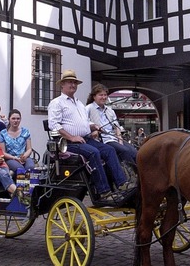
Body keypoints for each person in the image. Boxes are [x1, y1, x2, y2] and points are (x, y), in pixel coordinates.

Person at [47, 69, 133, 201]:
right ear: (62, 84)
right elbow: (54, 125)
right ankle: (103, 190)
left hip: (85, 139)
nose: (73, 85)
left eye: (75, 83)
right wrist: (72, 137)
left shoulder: (79, 103)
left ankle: (121, 184)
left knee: (109, 150)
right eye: (70, 82)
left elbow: (85, 122)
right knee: (93, 153)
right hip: (67, 143)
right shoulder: (57, 103)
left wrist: (93, 126)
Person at [86, 83, 138, 163]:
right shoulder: (88, 108)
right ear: (94, 96)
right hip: (103, 140)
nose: (104, 97)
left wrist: (120, 140)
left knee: (134, 152)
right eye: (101, 95)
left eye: (105, 95)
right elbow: (84, 123)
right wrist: (93, 129)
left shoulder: (110, 110)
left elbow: (117, 127)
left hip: (114, 139)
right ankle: (130, 173)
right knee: (125, 151)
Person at [0, 109, 35, 174]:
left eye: (18, 119)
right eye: (13, 118)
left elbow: (29, 149)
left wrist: (24, 156)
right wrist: (14, 158)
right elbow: (2, 152)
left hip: (24, 157)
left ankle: (30, 184)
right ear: (9, 119)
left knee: (31, 167)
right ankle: (21, 184)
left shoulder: (25, 131)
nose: (16, 121)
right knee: (20, 169)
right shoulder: (3, 133)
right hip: (11, 158)